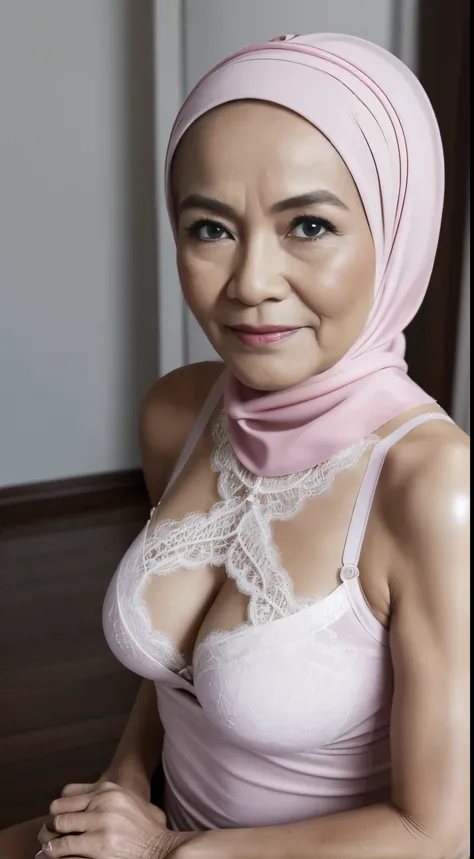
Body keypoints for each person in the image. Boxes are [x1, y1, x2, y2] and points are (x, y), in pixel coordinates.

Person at [2, 31, 469, 859]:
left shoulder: (434, 487)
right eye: (210, 228)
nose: (251, 283)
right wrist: (122, 782)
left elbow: (439, 833)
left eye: (309, 225)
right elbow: (180, 668)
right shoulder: (179, 411)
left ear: (397, 230)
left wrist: (166, 851)